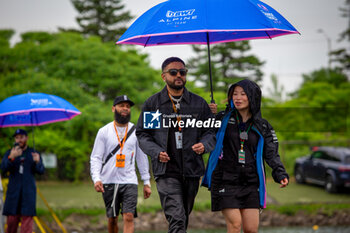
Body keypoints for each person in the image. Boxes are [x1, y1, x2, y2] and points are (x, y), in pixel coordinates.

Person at [136, 57, 216, 233]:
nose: (179, 75)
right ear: (164, 76)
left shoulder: (198, 103)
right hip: (166, 170)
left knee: (184, 216)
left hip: (192, 169)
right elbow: (143, 135)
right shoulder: (154, 104)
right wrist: (156, 152)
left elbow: (211, 132)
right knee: (177, 217)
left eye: (183, 72)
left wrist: (204, 145)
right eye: (173, 72)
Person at [202, 79, 289, 233]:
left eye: (243, 94)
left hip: (250, 182)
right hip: (225, 180)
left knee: (251, 229)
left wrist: (280, 172)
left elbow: (271, 152)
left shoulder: (262, 125)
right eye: (234, 94)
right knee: (235, 224)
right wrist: (208, 115)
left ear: (253, 97)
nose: (238, 98)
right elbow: (205, 134)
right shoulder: (221, 118)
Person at [90, 95, 151, 233]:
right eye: (121, 105)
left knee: (129, 216)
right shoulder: (104, 132)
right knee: (112, 219)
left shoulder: (136, 132)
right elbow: (96, 157)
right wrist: (96, 178)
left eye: (128, 106)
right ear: (113, 108)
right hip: (109, 181)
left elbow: (142, 158)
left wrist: (146, 181)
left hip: (130, 180)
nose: (125, 109)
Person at [1, 129, 45, 233]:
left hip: (28, 194)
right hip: (13, 195)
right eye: (17, 137)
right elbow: (3, 169)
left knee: (27, 226)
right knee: (11, 224)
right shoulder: (10, 153)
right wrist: (11, 157)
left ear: (27, 138)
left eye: (21, 137)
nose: (19, 140)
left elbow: (41, 171)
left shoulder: (33, 153)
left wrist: (38, 162)